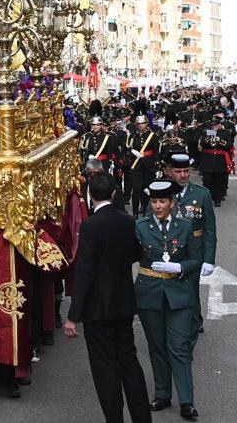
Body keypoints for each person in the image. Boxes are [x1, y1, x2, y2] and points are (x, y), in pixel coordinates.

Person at [64, 174, 151, 423]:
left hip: (96, 310)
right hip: (123, 303)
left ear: (91, 195)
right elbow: (137, 253)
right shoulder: (127, 221)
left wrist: (73, 316)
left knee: (105, 370)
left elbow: (85, 272)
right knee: (129, 363)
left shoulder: (90, 226)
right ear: (114, 194)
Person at [135, 180, 202, 421]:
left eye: (162, 201)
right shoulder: (140, 226)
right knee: (157, 346)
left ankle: (186, 401)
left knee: (179, 347)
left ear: (172, 203)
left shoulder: (184, 227)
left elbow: (196, 260)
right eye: (154, 201)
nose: (158, 206)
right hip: (150, 293)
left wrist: (180, 266)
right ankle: (162, 394)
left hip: (179, 293)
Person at [165, 154, 216, 338]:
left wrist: (209, 260)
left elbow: (210, 230)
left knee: (192, 289)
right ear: (170, 172)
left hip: (194, 251)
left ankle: (194, 324)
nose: (183, 175)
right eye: (178, 171)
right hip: (169, 251)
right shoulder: (162, 193)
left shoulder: (202, 194)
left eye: (186, 171)